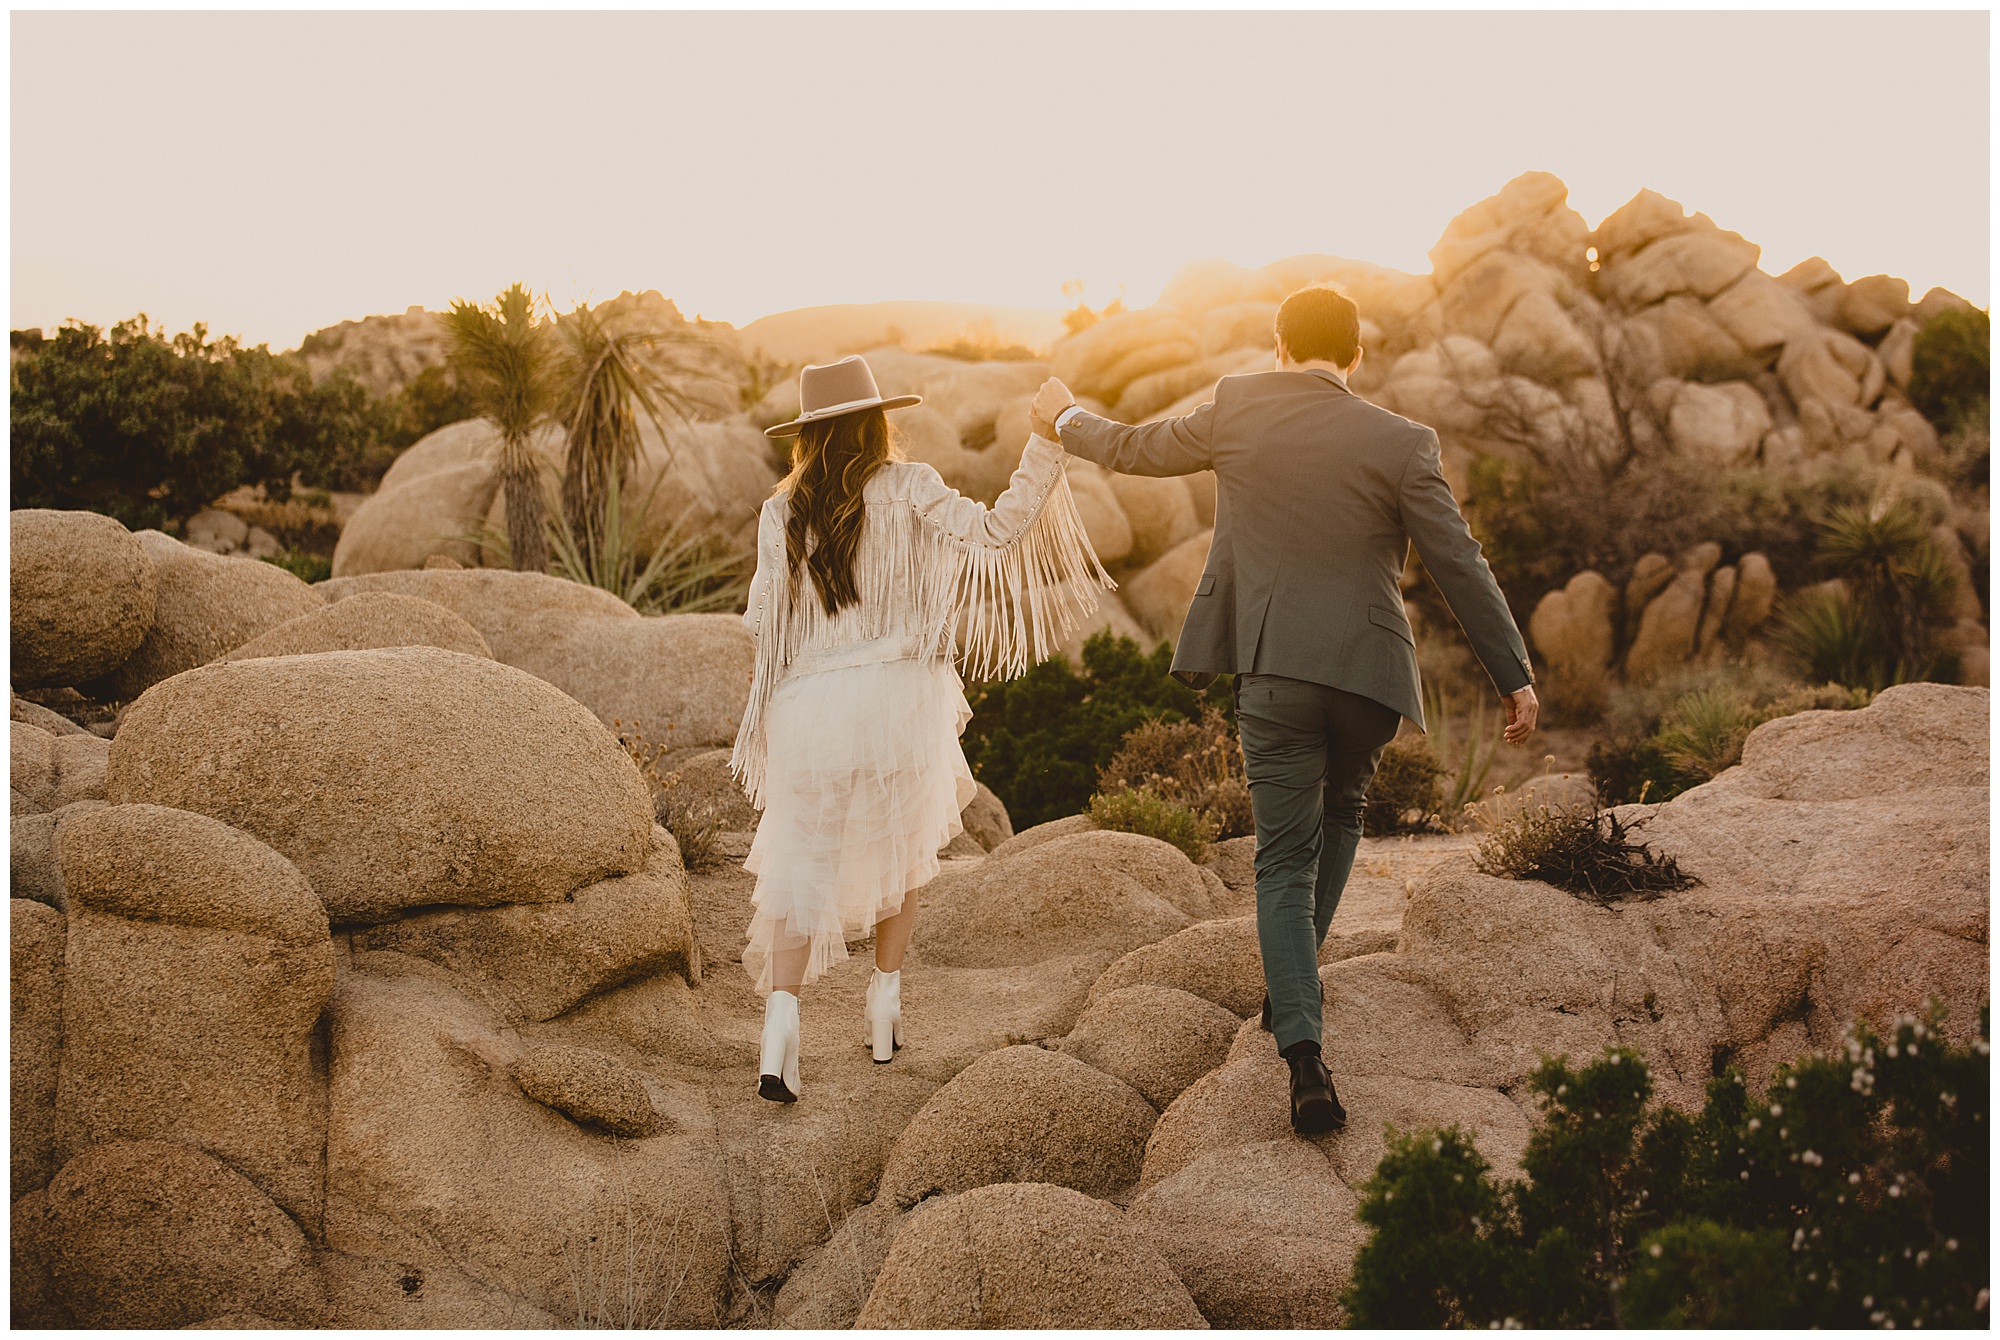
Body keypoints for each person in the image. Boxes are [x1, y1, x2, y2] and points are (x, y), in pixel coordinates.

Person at [1029, 285, 1539, 1134]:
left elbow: (1135, 450)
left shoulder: (1238, 406)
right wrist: (1512, 673)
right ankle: (1291, 991)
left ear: (1276, 345)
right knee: (1341, 820)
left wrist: (1065, 418)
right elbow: (1459, 561)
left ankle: (1303, 1053)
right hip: (1370, 674)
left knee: (1282, 860)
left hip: (1273, 671)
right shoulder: (1402, 440)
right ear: (1355, 356)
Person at [731, 354, 1112, 1103]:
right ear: (878, 422)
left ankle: (780, 1032)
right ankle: (883, 1007)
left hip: (811, 704)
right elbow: (1001, 534)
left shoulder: (783, 512)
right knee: (900, 852)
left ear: (807, 436)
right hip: (902, 696)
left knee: (800, 862)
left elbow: (762, 623)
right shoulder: (910, 487)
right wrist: (1044, 443)